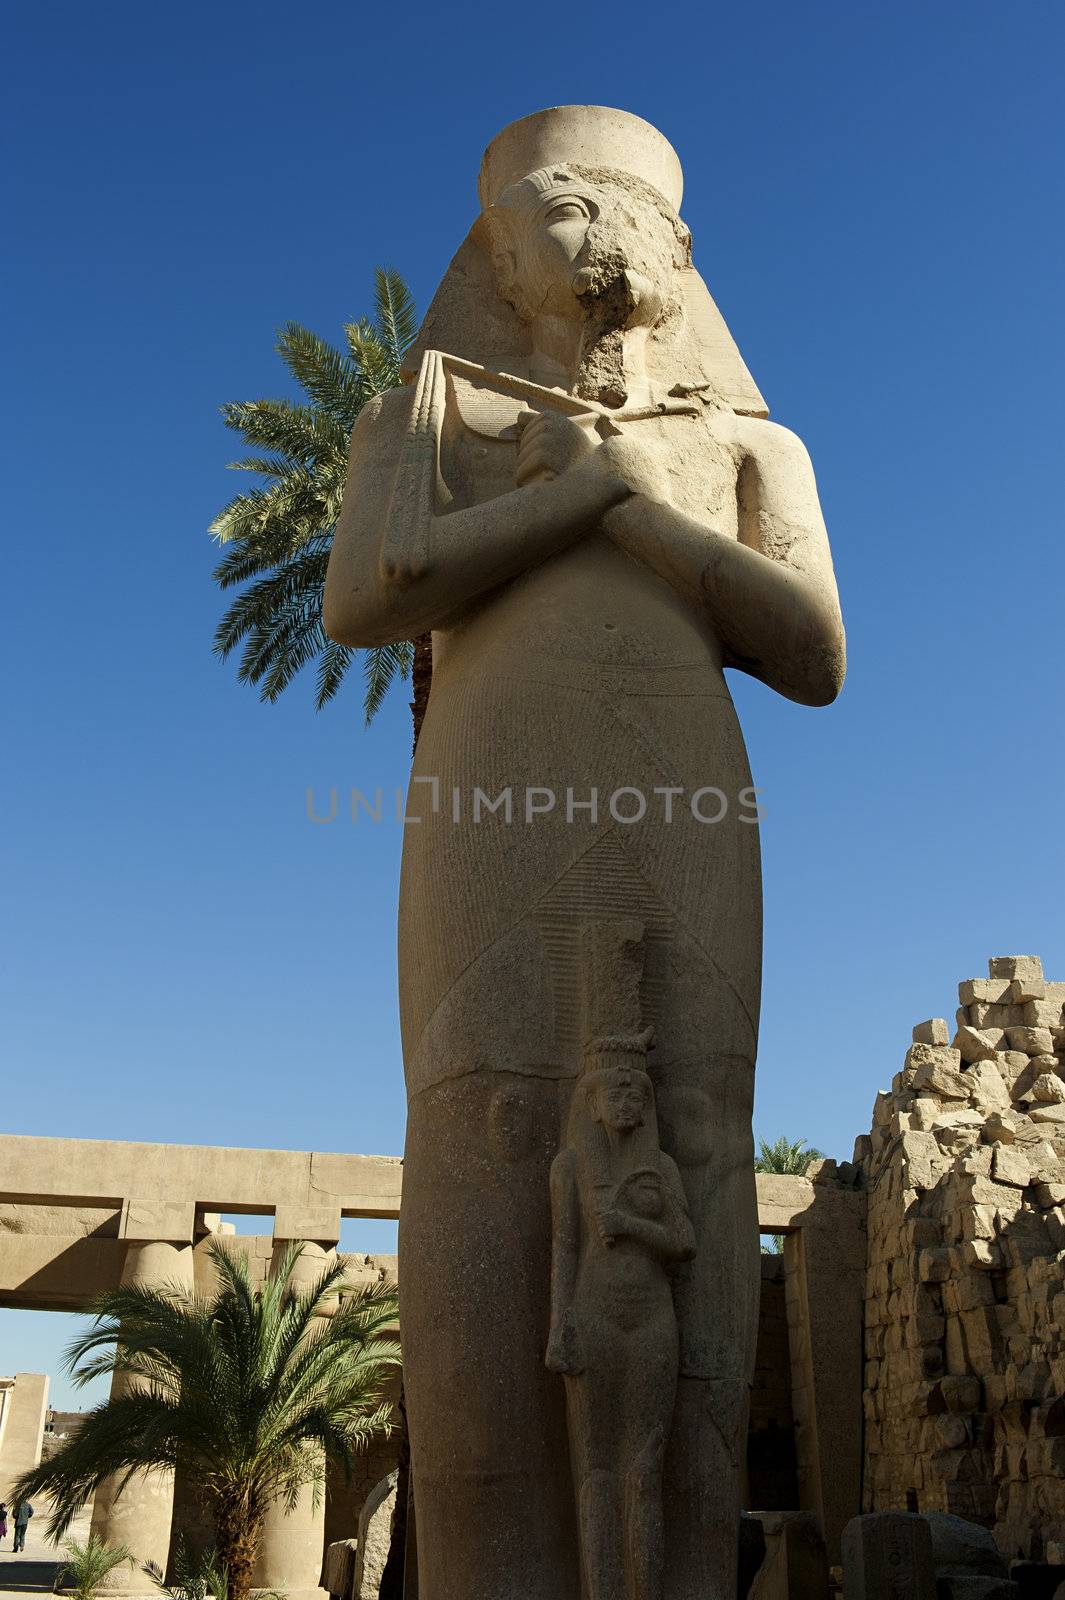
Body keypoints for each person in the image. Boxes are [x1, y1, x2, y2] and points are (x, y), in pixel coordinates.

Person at [325, 104, 845, 1600]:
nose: (593, 223)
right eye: (558, 200)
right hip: (493, 790)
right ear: (493, 252)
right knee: (485, 1129)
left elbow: (808, 650)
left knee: (689, 1123)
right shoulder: (426, 420)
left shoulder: (750, 443)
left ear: (680, 251)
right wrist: (571, 492)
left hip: (683, 795)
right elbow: (362, 602)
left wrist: (633, 503)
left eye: (624, 204)